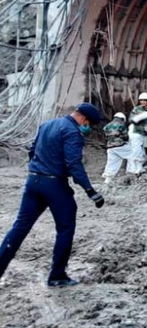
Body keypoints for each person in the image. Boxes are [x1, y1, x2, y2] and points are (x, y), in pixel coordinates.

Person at [0, 103, 105, 287]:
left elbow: (32, 151)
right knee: (65, 227)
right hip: (54, 184)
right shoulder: (72, 132)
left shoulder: (47, 124)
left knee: (20, 227)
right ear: (84, 119)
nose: (88, 128)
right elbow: (74, 164)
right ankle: (57, 275)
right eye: (89, 125)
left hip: (33, 182)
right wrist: (90, 191)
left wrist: (39, 168)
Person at [127, 92, 147, 175]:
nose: (143, 102)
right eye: (141, 100)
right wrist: (139, 117)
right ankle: (137, 168)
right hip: (137, 132)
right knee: (137, 150)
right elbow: (131, 120)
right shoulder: (136, 109)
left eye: (145, 100)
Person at [102, 112, 130, 184]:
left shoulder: (107, 126)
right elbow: (126, 137)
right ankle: (132, 172)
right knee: (134, 154)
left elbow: (105, 135)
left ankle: (108, 179)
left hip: (110, 147)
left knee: (112, 162)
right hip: (119, 146)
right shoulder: (121, 125)